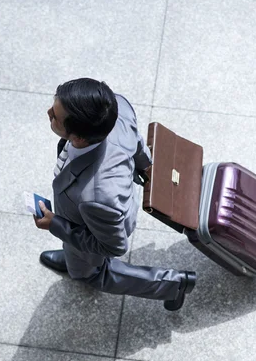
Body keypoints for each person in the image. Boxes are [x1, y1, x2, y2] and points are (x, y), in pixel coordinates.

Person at [34, 78, 196, 311]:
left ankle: (172, 284)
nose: (48, 112)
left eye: (54, 116)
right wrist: (144, 164)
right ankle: (74, 259)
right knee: (76, 255)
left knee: (93, 274)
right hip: (96, 210)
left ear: (78, 137)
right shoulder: (114, 108)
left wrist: (56, 224)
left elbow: (113, 246)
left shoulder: (97, 197)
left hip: (99, 221)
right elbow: (136, 140)